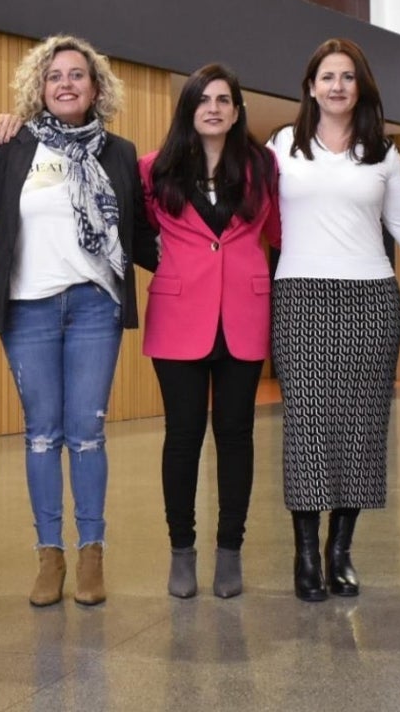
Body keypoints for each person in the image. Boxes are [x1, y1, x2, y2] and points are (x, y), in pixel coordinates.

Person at [0, 34, 157, 608]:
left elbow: (143, 235)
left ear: (96, 87)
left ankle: (91, 554)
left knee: (86, 434)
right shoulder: (11, 147)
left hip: (93, 306)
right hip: (27, 307)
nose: (66, 84)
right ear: (40, 87)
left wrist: (211, 257)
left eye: (77, 75)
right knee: (41, 435)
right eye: (55, 76)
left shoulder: (119, 153)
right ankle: (49, 554)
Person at [269, 38, 400, 602]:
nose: (337, 86)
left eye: (347, 77)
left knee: (360, 428)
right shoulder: (282, 144)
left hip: (370, 298)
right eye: (327, 76)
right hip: (300, 295)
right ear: (310, 86)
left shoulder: (383, 151)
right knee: (306, 428)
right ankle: (305, 554)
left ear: (361, 87)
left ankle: (341, 551)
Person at [139, 63, 279, 599]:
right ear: (189, 108)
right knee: (183, 436)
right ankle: (181, 552)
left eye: (224, 99)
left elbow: (279, 231)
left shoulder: (264, 167)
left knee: (236, 436)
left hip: (244, 316)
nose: (214, 108)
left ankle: (229, 552)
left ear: (238, 110)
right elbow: (135, 231)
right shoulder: (155, 169)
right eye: (203, 99)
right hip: (179, 320)